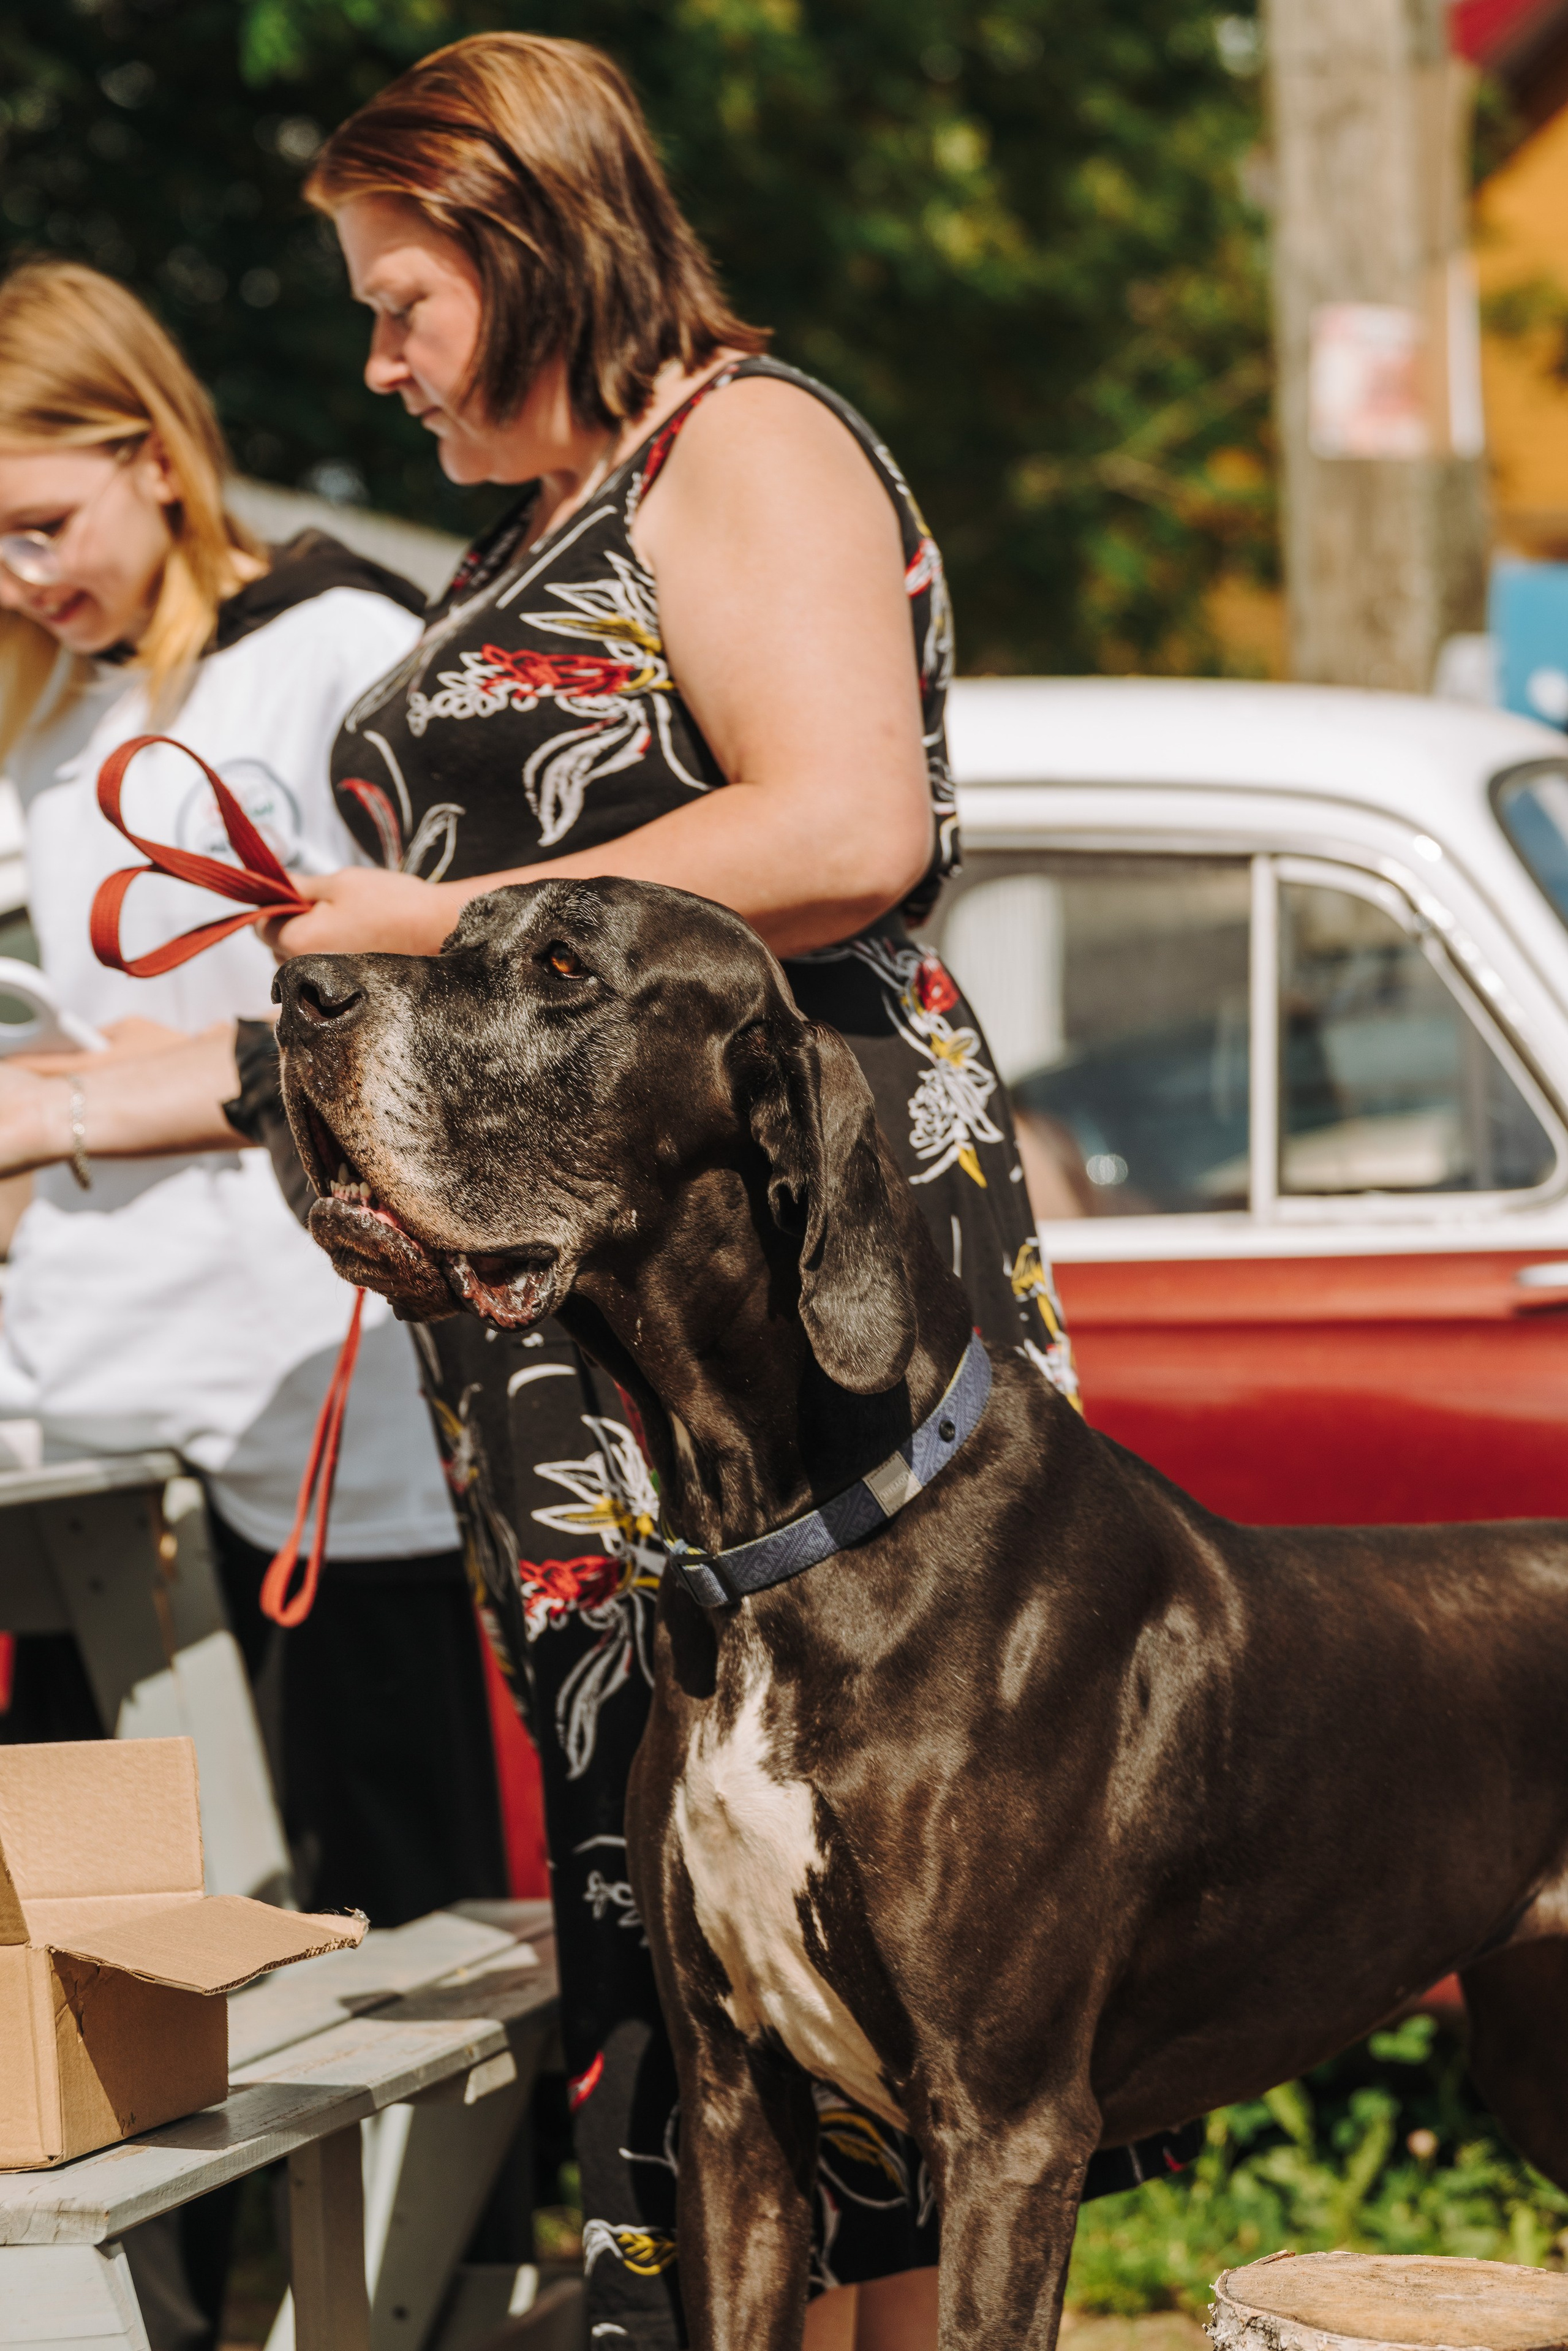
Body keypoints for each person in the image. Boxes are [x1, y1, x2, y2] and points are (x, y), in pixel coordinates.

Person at [2, 43, 1196, 2348]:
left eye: (400, 300)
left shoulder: (742, 443)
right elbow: (462, 996)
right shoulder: (543, 520)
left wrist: (432, 920)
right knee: (727, 1952)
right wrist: (85, 1100)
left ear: (530, 245)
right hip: (620, 1329)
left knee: (895, 1931)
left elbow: (848, 818)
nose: (375, 359)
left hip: (808, 1272)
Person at [0, 262, 507, 1932]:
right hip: (87, 1391)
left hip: (320, 1393)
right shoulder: (43, 706)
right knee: (106, 1929)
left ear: (153, 453)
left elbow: (439, 1005)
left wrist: (87, 1109)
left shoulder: (341, 646)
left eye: (41, 523)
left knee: (389, 1923)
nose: (22, 576)